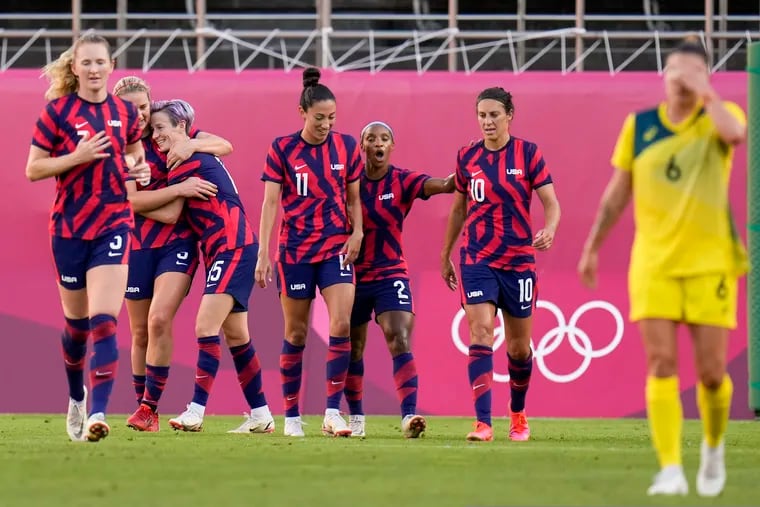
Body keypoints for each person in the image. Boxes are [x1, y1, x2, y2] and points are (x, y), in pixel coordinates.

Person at [577, 38, 747, 497]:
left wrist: (706, 93)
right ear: (663, 75)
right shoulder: (640, 125)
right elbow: (618, 192)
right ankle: (670, 467)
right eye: (676, 69)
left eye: (693, 71)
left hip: (709, 262)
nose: (682, 78)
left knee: (712, 372)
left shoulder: (719, 116)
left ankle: (713, 449)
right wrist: (592, 245)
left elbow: (736, 134)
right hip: (653, 263)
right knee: (661, 363)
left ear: (705, 77)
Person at [25, 33, 151, 442]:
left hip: (113, 223)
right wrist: (76, 157)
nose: (95, 69)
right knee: (77, 327)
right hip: (69, 228)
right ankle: (77, 396)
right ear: (75, 67)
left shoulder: (125, 113)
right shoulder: (56, 113)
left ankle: (98, 414)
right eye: (87, 63)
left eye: (101, 62)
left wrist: (140, 170)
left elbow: (136, 156)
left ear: (111, 66)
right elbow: (34, 169)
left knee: (104, 322)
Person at [145, 99, 274, 434]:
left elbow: (172, 214)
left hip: (232, 247)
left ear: (181, 128)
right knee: (237, 336)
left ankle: (196, 410)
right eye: (152, 129)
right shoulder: (190, 153)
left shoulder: (188, 160)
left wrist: (128, 206)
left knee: (205, 326)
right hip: (228, 249)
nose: (155, 135)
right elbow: (224, 145)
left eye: (160, 128)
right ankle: (261, 414)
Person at [440, 87, 560, 443]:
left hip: (519, 261)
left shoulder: (528, 153)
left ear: (509, 115)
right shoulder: (467, 157)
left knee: (518, 348)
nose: (487, 121)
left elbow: (551, 203)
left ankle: (518, 414)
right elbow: (459, 209)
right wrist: (445, 253)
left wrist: (549, 229)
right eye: (481, 115)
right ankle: (482, 422)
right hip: (477, 258)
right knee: (479, 332)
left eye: (494, 114)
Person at [112, 76, 232, 432]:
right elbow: (133, 200)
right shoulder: (119, 150)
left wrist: (193, 148)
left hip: (177, 246)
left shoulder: (167, 135)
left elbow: (224, 144)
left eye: (144, 107)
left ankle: (149, 407)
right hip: (136, 246)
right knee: (138, 332)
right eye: (130, 109)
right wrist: (178, 188)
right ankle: (143, 411)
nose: (140, 115)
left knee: (159, 319)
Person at [256, 67, 364, 438]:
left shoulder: (347, 147)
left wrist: (358, 231)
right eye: (320, 118)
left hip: (336, 246)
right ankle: (291, 417)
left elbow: (353, 197)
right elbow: (271, 203)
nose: (326, 125)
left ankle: (333, 413)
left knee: (341, 324)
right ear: (303, 113)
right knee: (296, 333)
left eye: (332, 118)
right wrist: (263, 253)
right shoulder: (282, 148)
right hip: (296, 251)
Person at [344, 121, 454, 438]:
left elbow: (443, 185)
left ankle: (408, 418)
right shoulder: (349, 184)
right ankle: (356, 420)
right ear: (362, 146)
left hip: (391, 272)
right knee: (353, 348)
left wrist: (462, 172)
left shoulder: (403, 180)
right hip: (352, 275)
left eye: (384, 138)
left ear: (392, 145)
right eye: (370, 138)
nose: (377, 143)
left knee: (399, 336)